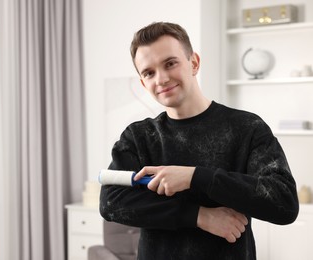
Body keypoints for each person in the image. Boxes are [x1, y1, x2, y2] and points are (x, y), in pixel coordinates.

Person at [99, 21, 299, 260]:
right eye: (149, 73)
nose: (161, 79)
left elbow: (284, 202)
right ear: (143, 83)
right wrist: (199, 216)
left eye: (170, 63)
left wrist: (195, 177)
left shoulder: (247, 127)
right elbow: (111, 202)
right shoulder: (138, 136)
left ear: (193, 63)